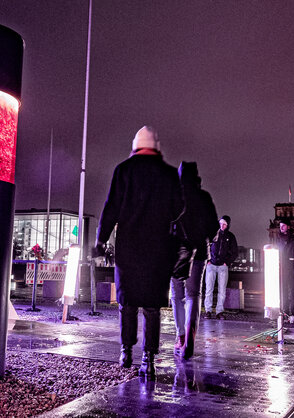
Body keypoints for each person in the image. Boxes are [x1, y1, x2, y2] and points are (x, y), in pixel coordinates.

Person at [93, 126, 183, 378]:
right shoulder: (169, 174)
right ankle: (149, 357)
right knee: (153, 306)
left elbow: (111, 207)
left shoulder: (123, 170)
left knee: (127, 303)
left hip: (129, 246)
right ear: (156, 145)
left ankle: (126, 351)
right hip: (158, 248)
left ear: (135, 145)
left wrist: (101, 240)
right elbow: (178, 211)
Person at [170, 161, 218, 360]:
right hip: (198, 252)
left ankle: (180, 336)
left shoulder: (174, 196)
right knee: (193, 295)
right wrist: (205, 239)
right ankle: (190, 340)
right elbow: (214, 227)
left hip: (176, 252)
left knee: (177, 296)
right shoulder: (204, 197)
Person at [204, 215, 238, 319]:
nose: (222, 226)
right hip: (211, 265)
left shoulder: (231, 237)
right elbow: (206, 246)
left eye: (224, 224)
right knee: (208, 289)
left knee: (222, 291)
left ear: (228, 225)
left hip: (223, 266)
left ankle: (219, 311)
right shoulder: (213, 234)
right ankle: (208, 311)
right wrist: (208, 260)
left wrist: (227, 262)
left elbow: (234, 252)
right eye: (220, 223)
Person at [277, 221, 294, 322]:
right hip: (282, 268)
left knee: (293, 291)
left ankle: (293, 313)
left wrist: (293, 259)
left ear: (288, 227)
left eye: (283, 225)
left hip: (292, 267)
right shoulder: (279, 239)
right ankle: (284, 312)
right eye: (280, 226)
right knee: (283, 291)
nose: (281, 227)